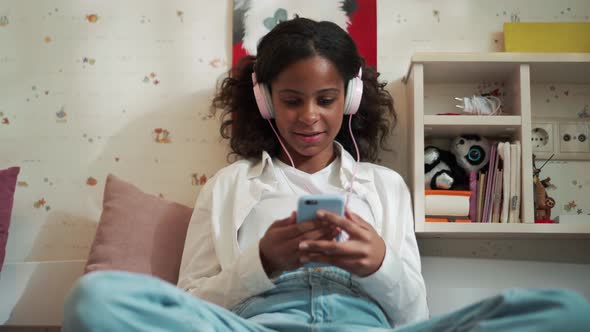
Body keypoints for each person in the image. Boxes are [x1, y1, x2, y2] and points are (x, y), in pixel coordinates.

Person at [62, 18, 590, 331]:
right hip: (259, 323)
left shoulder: (385, 186)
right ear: (265, 101)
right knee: (97, 299)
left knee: (564, 311)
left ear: (351, 98)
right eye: (291, 101)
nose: (309, 116)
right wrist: (263, 261)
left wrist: (378, 263)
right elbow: (190, 306)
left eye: (326, 99)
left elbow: (413, 313)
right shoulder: (230, 187)